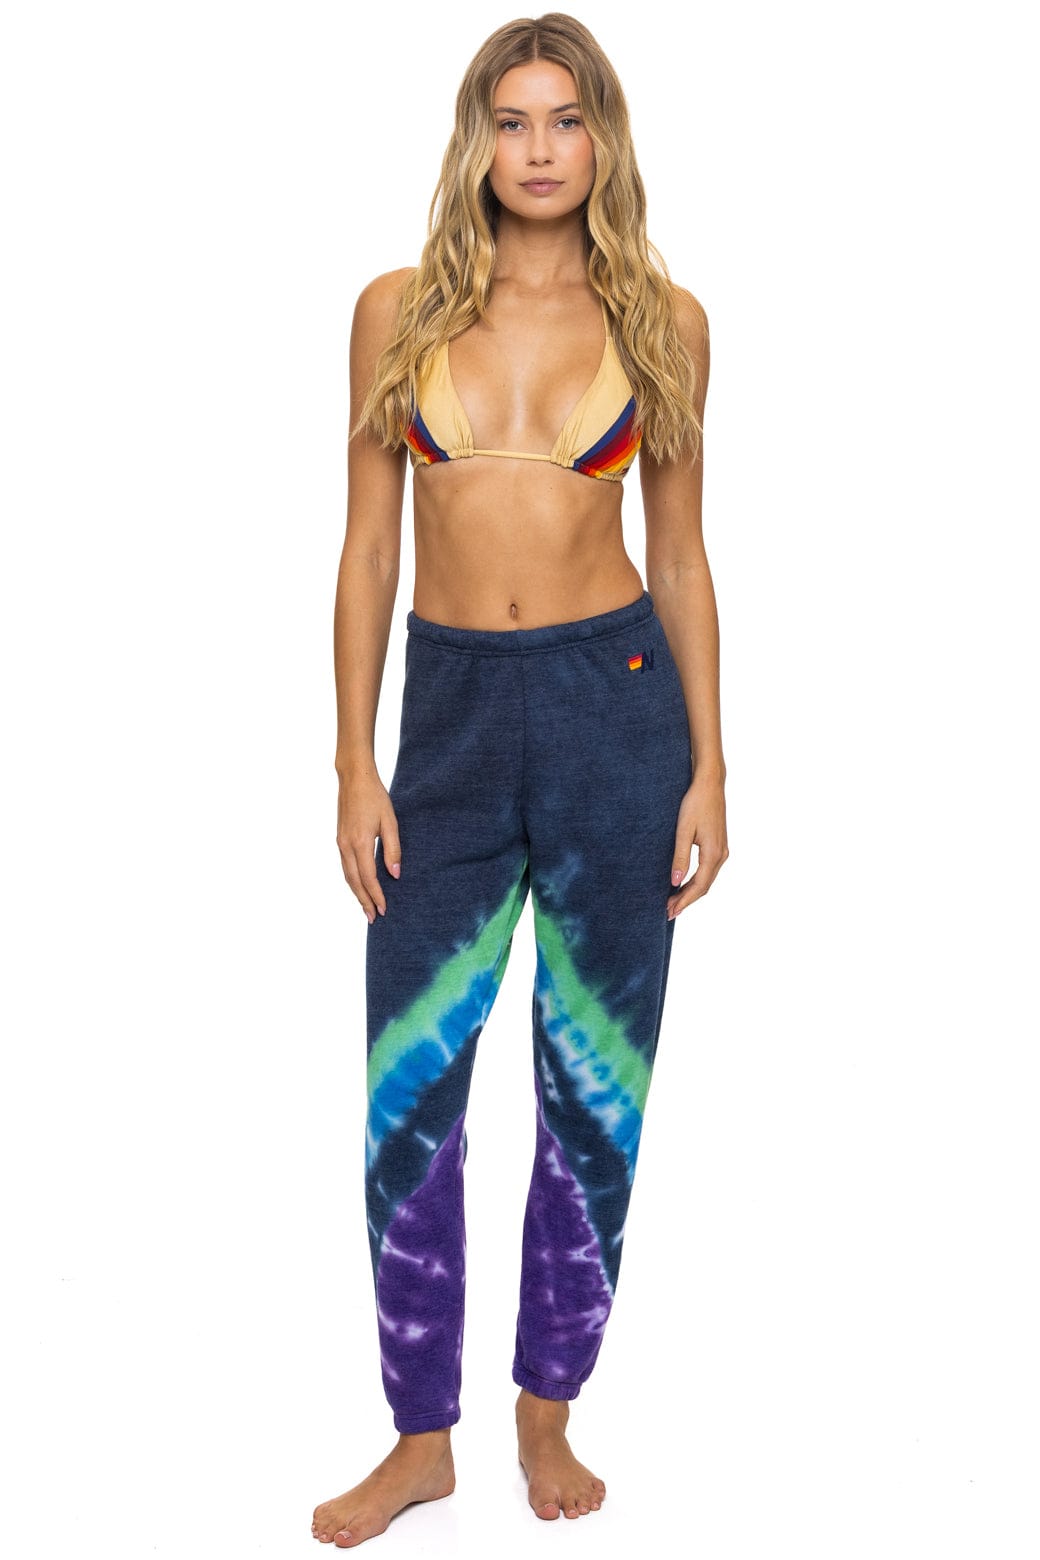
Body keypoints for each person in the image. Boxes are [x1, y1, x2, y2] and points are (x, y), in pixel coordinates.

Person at [313, 12, 727, 1548]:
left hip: (617, 713)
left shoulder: (665, 321)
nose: (539, 149)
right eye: (511, 120)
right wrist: (353, 759)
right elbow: (368, 549)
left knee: (593, 1087)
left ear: (602, 138)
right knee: (408, 1089)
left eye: (565, 120)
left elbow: (681, 558)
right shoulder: (398, 312)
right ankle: (419, 1438)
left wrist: (712, 768)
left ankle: (548, 1412)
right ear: (476, 140)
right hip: (451, 724)